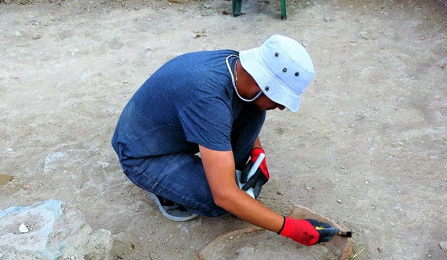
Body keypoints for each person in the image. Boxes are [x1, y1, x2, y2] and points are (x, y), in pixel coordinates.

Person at [112, 34, 338, 246]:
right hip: (144, 155)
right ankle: (167, 192)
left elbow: (245, 105)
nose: (281, 107)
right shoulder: (207, 98)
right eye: (279, 98)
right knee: (218, 201)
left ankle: (217, 170)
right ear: (261, 82)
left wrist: (257, 151)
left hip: (174, 129)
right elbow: (224, 196)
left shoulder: (237, 68)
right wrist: (289, 228)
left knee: (256, 109)